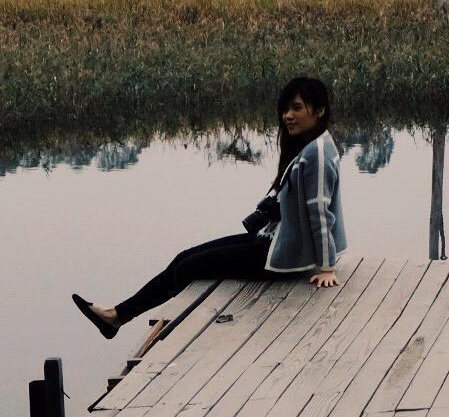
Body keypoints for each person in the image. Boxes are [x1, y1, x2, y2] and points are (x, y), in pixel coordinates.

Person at [72, 76, 347, 340]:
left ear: (320, 110)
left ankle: (120, 317)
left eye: (296, 108)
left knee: (189, 267)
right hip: (273, 241)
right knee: (185, 258)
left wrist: (326, 266)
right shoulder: (312, 146)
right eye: (285, 109)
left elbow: (320, 213)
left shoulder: (317, 153)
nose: (287, 115)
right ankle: (116, 316)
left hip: (283, 257)